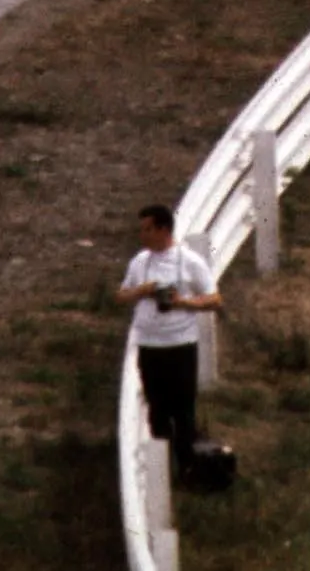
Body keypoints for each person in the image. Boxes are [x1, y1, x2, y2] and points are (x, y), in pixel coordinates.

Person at [115, 205, 220, 478]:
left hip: (180, 345)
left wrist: (182, 302)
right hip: (150, 345)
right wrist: (143, 290)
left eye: (147, 229)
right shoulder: (140, 262)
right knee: (157, 409)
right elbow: (121, 296)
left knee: (183, 409)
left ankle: (186, 466)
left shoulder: (189, 260)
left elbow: (214, 298)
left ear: (163, 229)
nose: (142, 234)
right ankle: (160, 470)